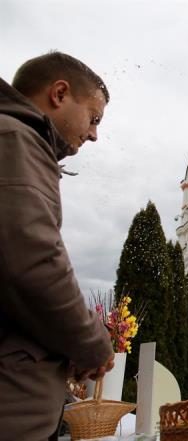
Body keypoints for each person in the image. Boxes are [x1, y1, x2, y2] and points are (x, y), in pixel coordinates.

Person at [0, 51, 114, 441]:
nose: (94, 134)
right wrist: (92, 343)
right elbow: (32, 262)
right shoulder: (16, 138)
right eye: (93, 118)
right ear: (60, 93)